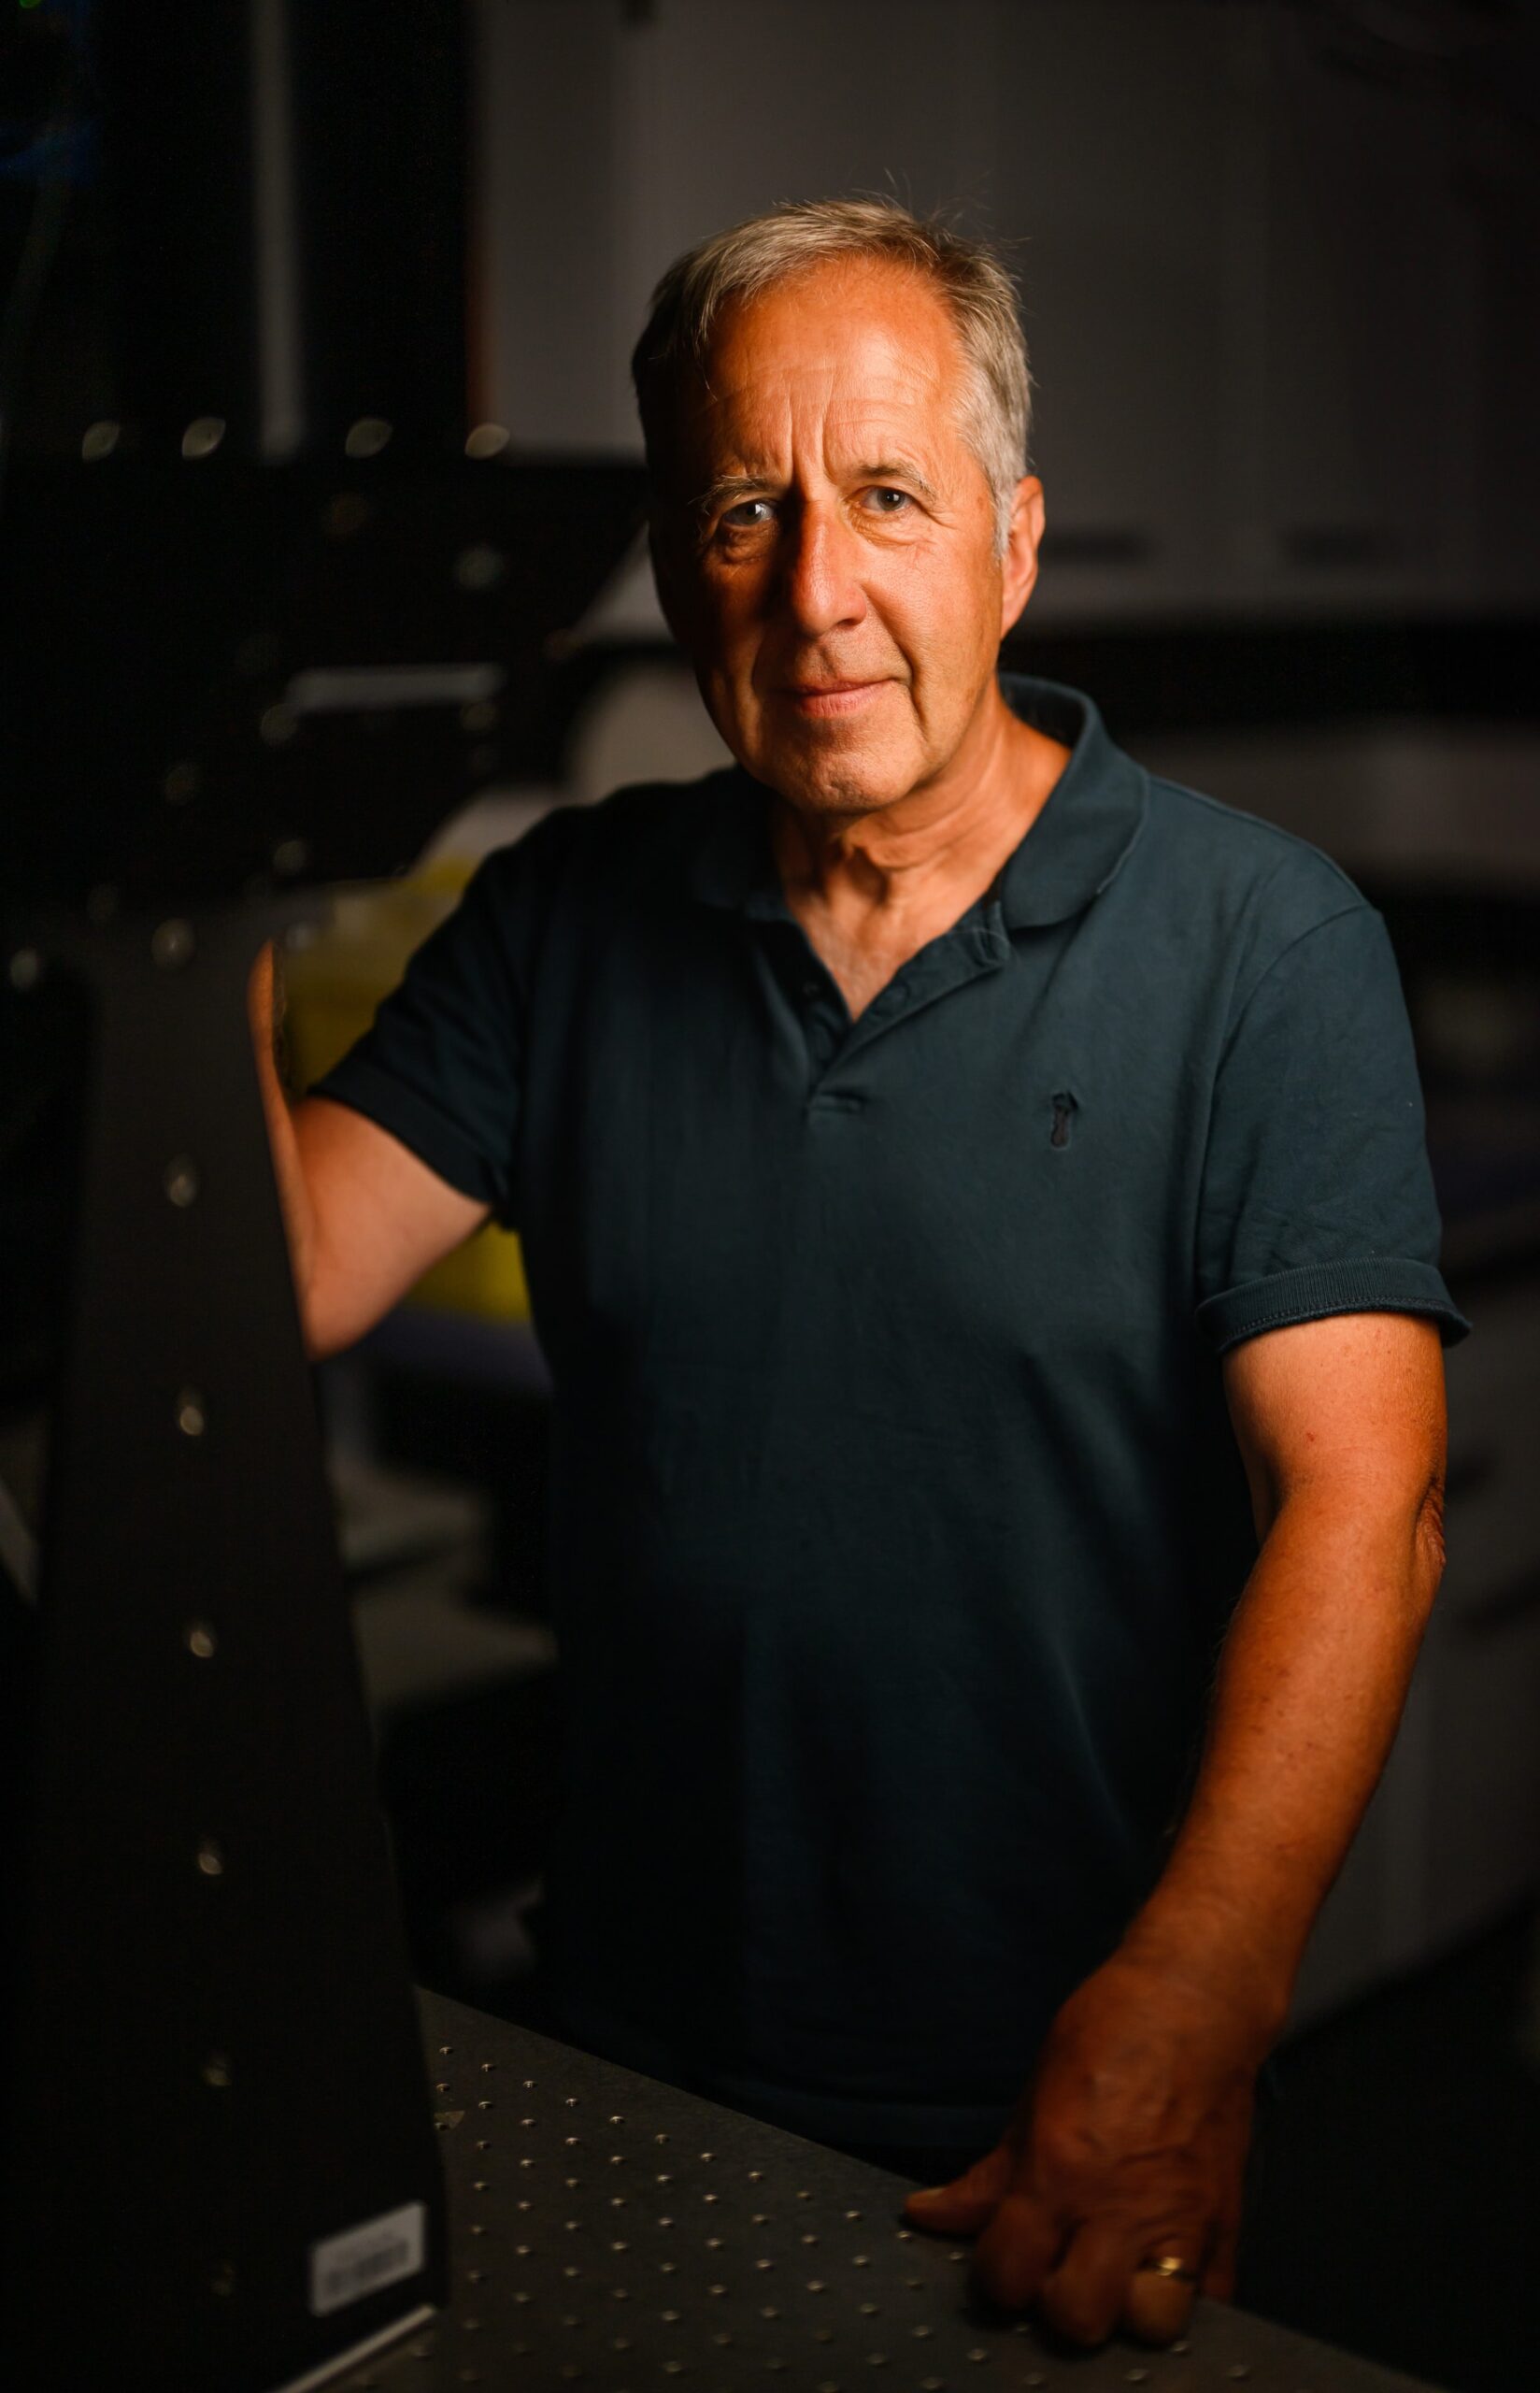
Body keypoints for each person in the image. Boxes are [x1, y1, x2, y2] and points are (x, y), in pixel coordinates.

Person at [250, 199, 1467, 2349]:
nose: (815, 592)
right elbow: (276, 1273)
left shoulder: (1260, 947)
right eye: (742, 510)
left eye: (884, 498)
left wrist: (1197, 1986)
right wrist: (202, 867)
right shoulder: (564, 920)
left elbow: (1358, 1503)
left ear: (1009, 539)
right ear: (664, 560)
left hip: (1051, 2082)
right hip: (626, 2016)